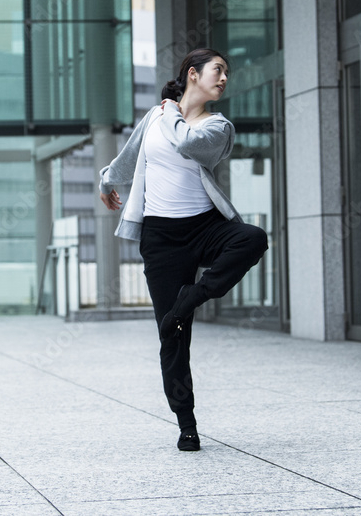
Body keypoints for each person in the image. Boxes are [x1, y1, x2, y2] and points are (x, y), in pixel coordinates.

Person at [98, 48, 269, 452]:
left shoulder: (217, 127)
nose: (225, 78)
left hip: (205, 227)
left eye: (227, 72)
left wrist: (172, 111)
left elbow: (187, 144)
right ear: (193, 74)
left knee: (253, 238)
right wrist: (108, 181)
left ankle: (196, 294)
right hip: (161, 239)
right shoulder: (155, 117)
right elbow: (131, 156)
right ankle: (186, 423)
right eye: (218, 70)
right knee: (173, 334)